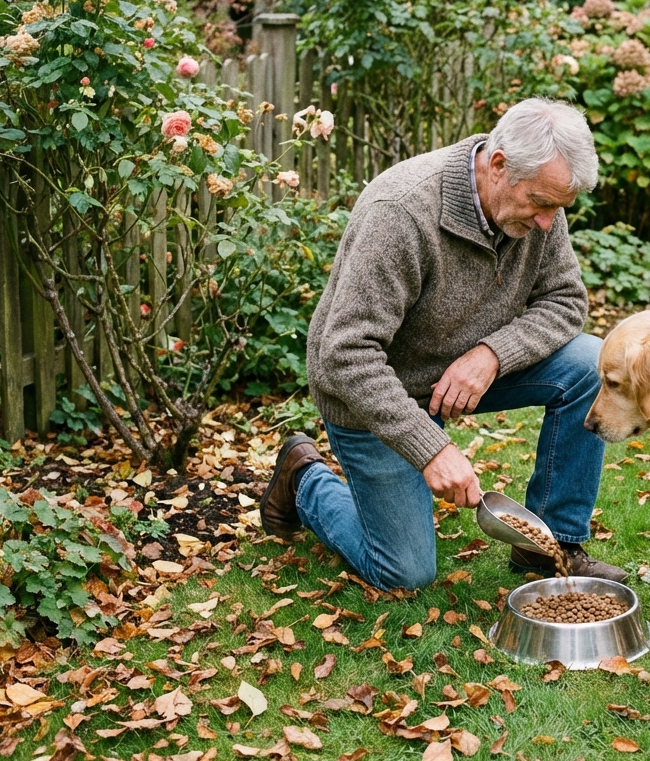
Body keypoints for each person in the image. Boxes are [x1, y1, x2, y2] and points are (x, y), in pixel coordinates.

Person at [259, 98, 626, 589]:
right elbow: (345, 354)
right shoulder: (402, 212)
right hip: (372, 392)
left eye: (558, 208)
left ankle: (549, 543)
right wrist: (431, 449)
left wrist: (494, 354)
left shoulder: (539, 204)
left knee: (587, 366)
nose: (547, 222)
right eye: (541, 204)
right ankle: (305, 479)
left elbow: (564, 301)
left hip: (457, 373)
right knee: (405, 573)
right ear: (499, 166)